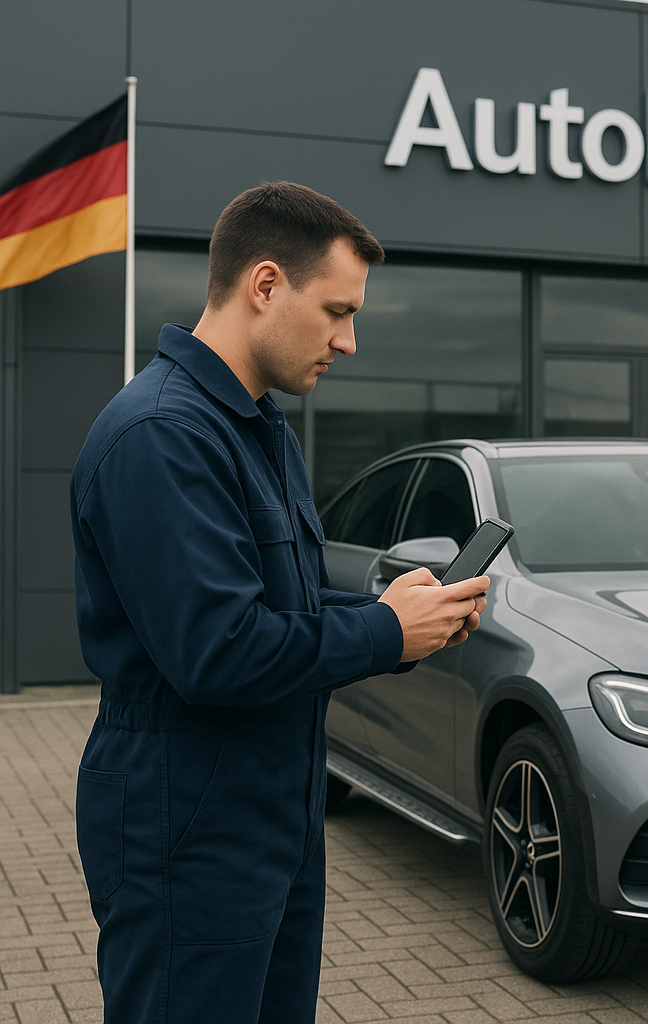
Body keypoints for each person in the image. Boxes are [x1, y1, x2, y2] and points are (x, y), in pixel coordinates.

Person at [70, 181, 489, 1024]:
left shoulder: (260, 430)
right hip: (185, 820)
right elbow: (218, 653)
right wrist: (382, 633)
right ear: (265, 286)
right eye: (337, 310)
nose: (350, 341)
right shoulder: (161, 436)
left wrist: (395, 618)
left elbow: (278, 613)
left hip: (275, 815)